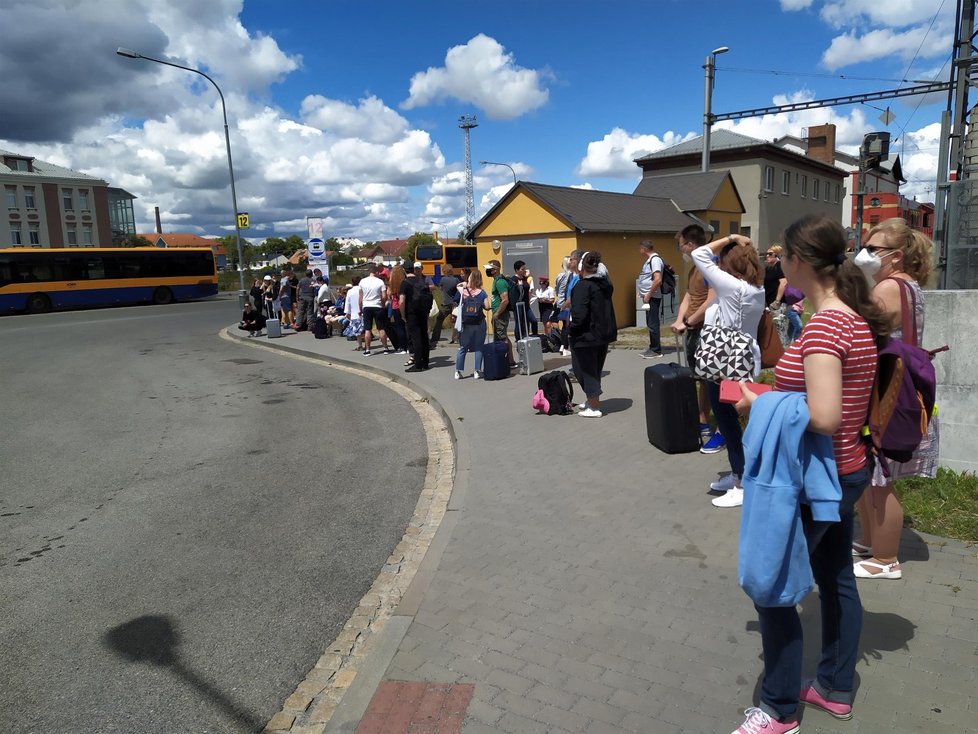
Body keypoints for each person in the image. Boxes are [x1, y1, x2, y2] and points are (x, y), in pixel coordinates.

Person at [729, 214, 888, 734]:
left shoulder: (823, 326)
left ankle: (778, 708)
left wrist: (760, 401)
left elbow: (823, 416)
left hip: (817, 478)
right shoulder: (852, 317)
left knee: (772, 587)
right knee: (836, 578)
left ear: (798, 261)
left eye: (782, 260)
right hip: (846, 471)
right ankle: (835, 688)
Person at [853, 217, 938, 580]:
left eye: (873, 249)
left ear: (897, 256)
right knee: (871, 479)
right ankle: (872, 541)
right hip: (892, 389)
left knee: (880, 481)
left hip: (884, 395)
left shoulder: (889, 287)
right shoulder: (907, 285)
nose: (864, 254)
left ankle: (886, 559)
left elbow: (854, 327)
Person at [691, 232, 766, 508]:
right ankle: (739, 473)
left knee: (729, 423)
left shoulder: (733, 287)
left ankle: (743, 481)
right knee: (730, 421)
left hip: (724, 362)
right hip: (737, 360)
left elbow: (699, 254)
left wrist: (731, 237)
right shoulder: (755, 289)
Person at [671, 225, 720, 451]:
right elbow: (688, 297)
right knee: (698, 378)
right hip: (693, 331)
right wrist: (680, 319)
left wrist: (689, 322)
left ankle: (714, 425)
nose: (680, 250)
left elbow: (712, 298)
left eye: (681, 245)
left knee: (712, 380)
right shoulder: (693, 270)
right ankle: (701, 419)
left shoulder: (712, 266)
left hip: (707, 331)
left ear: (690, 245)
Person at [569, 251, 617, 418]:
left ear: (582, 267)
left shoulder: (583, 286)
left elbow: (579, 314)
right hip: (602, 335)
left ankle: (594, 406)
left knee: (583, 370)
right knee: (594, 370)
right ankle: (592, 399)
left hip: (585, 336)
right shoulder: (604, 284)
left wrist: (571, 328)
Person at [454, 269, 490, 379]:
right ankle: (477, 371)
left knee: (463, 347)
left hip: (467, 323)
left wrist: (464, 284)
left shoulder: (463, 291)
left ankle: (458, 371)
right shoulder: (482, 293)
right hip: (479, 322)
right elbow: (487, 306)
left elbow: (457, 285)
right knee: (479, 347)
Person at [400, 261, 432, 371]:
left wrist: (403, 315)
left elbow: (402, 301)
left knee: (415, 338)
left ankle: (418, 364)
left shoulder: (405, 283)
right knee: (424, 337)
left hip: (412, 314)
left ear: (404, 270)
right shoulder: (422, 281)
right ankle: (426, 363)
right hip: (423, 312)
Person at [486, 260, 516, 368]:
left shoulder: (500, 282)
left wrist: (497, 313)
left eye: (489, 268)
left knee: (501, 338)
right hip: (497, 313)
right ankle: (509, 360)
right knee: (503, 337)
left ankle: (506, 361)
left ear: (496, 269)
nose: (487, 270)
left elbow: (505, 300)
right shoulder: (496, 281)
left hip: (500, 315)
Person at [637, 240, 664, 358]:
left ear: (644, 249)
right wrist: (641, 291)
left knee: (653, 323)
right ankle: (652, 346)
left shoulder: (655, 260)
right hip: (648, 296)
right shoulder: (650, 261)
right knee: (650, 322)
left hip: (652, 297)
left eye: (640, 249)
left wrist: (648, 294)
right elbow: (647, 278)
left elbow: (658, 279)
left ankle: (656, 350)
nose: (639, 251)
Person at [359, 264, 391, 356]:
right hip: (377, 306)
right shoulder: (380, 282)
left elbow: (360, 297)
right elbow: (384, 296)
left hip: (366, 306)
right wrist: (382, 303)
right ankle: (385, 348)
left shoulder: (362, 281)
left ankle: (367, 350)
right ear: (376, 272)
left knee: (367, 329)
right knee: (381, 328)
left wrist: (360, 307)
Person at [430, 264, 460, 346]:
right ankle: (455, 338)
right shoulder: (456, 280)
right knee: (455, 321)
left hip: (445, 303)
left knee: (439, 320)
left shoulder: (443, 279)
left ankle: (435, 338)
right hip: (454, 303)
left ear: (444, 271)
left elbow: (441, 287)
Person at [552, 256, 573, 356]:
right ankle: (565, 347)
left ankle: (562, 346)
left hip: (559, 301)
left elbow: (556, 288)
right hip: (566, 302)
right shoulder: (569, 275)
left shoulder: (559, 275)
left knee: (564, 324)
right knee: (566, 325)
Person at [387, 265, 409, 354]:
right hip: (406, 306)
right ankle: (408, 346)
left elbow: (389, 295)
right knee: (407, 327)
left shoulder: (392, 283)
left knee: (399, 327)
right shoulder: (405, 281)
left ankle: (402, 347)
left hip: (396, 306)